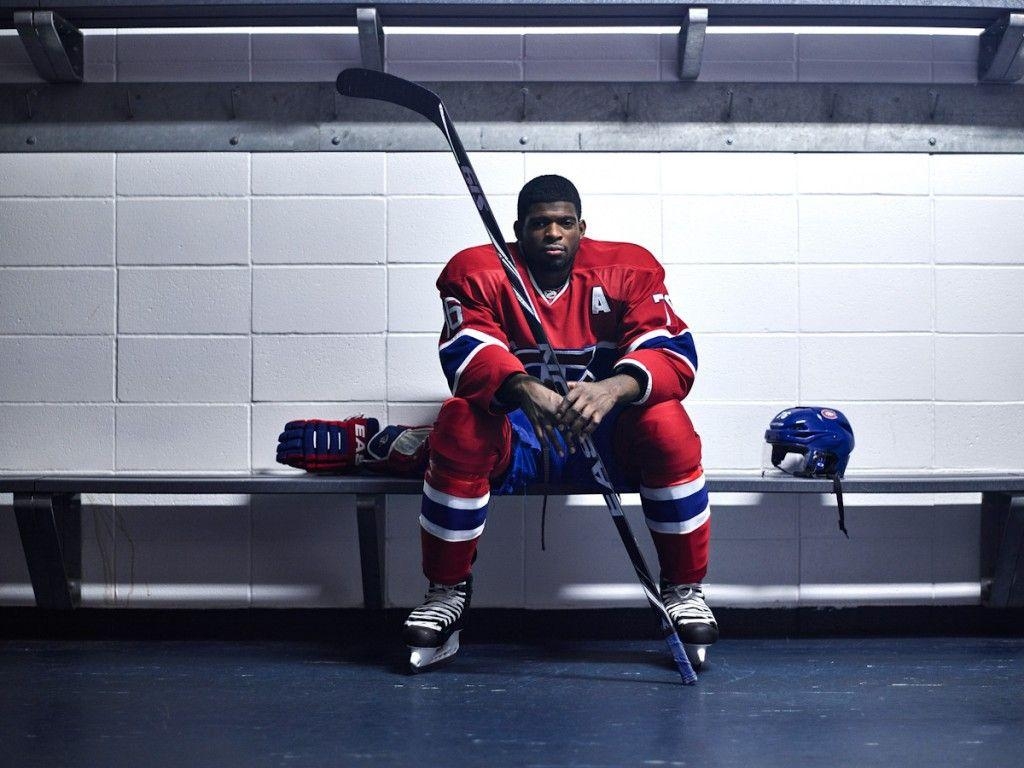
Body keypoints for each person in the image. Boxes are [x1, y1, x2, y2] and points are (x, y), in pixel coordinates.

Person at [403, 174, 716, 671]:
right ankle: (447, 592)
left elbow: (673, 353)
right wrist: (522, 388)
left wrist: (612, 388)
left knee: (668, 423)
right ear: (518, 230)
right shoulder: (477, 272)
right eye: (540, 224)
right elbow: (465, 355)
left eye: (565, 223)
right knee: (461, 419)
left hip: (608, 445)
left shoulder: (628, 269)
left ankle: (682, 589)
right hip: (526, 444)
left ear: (582, 228)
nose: (553, 233)